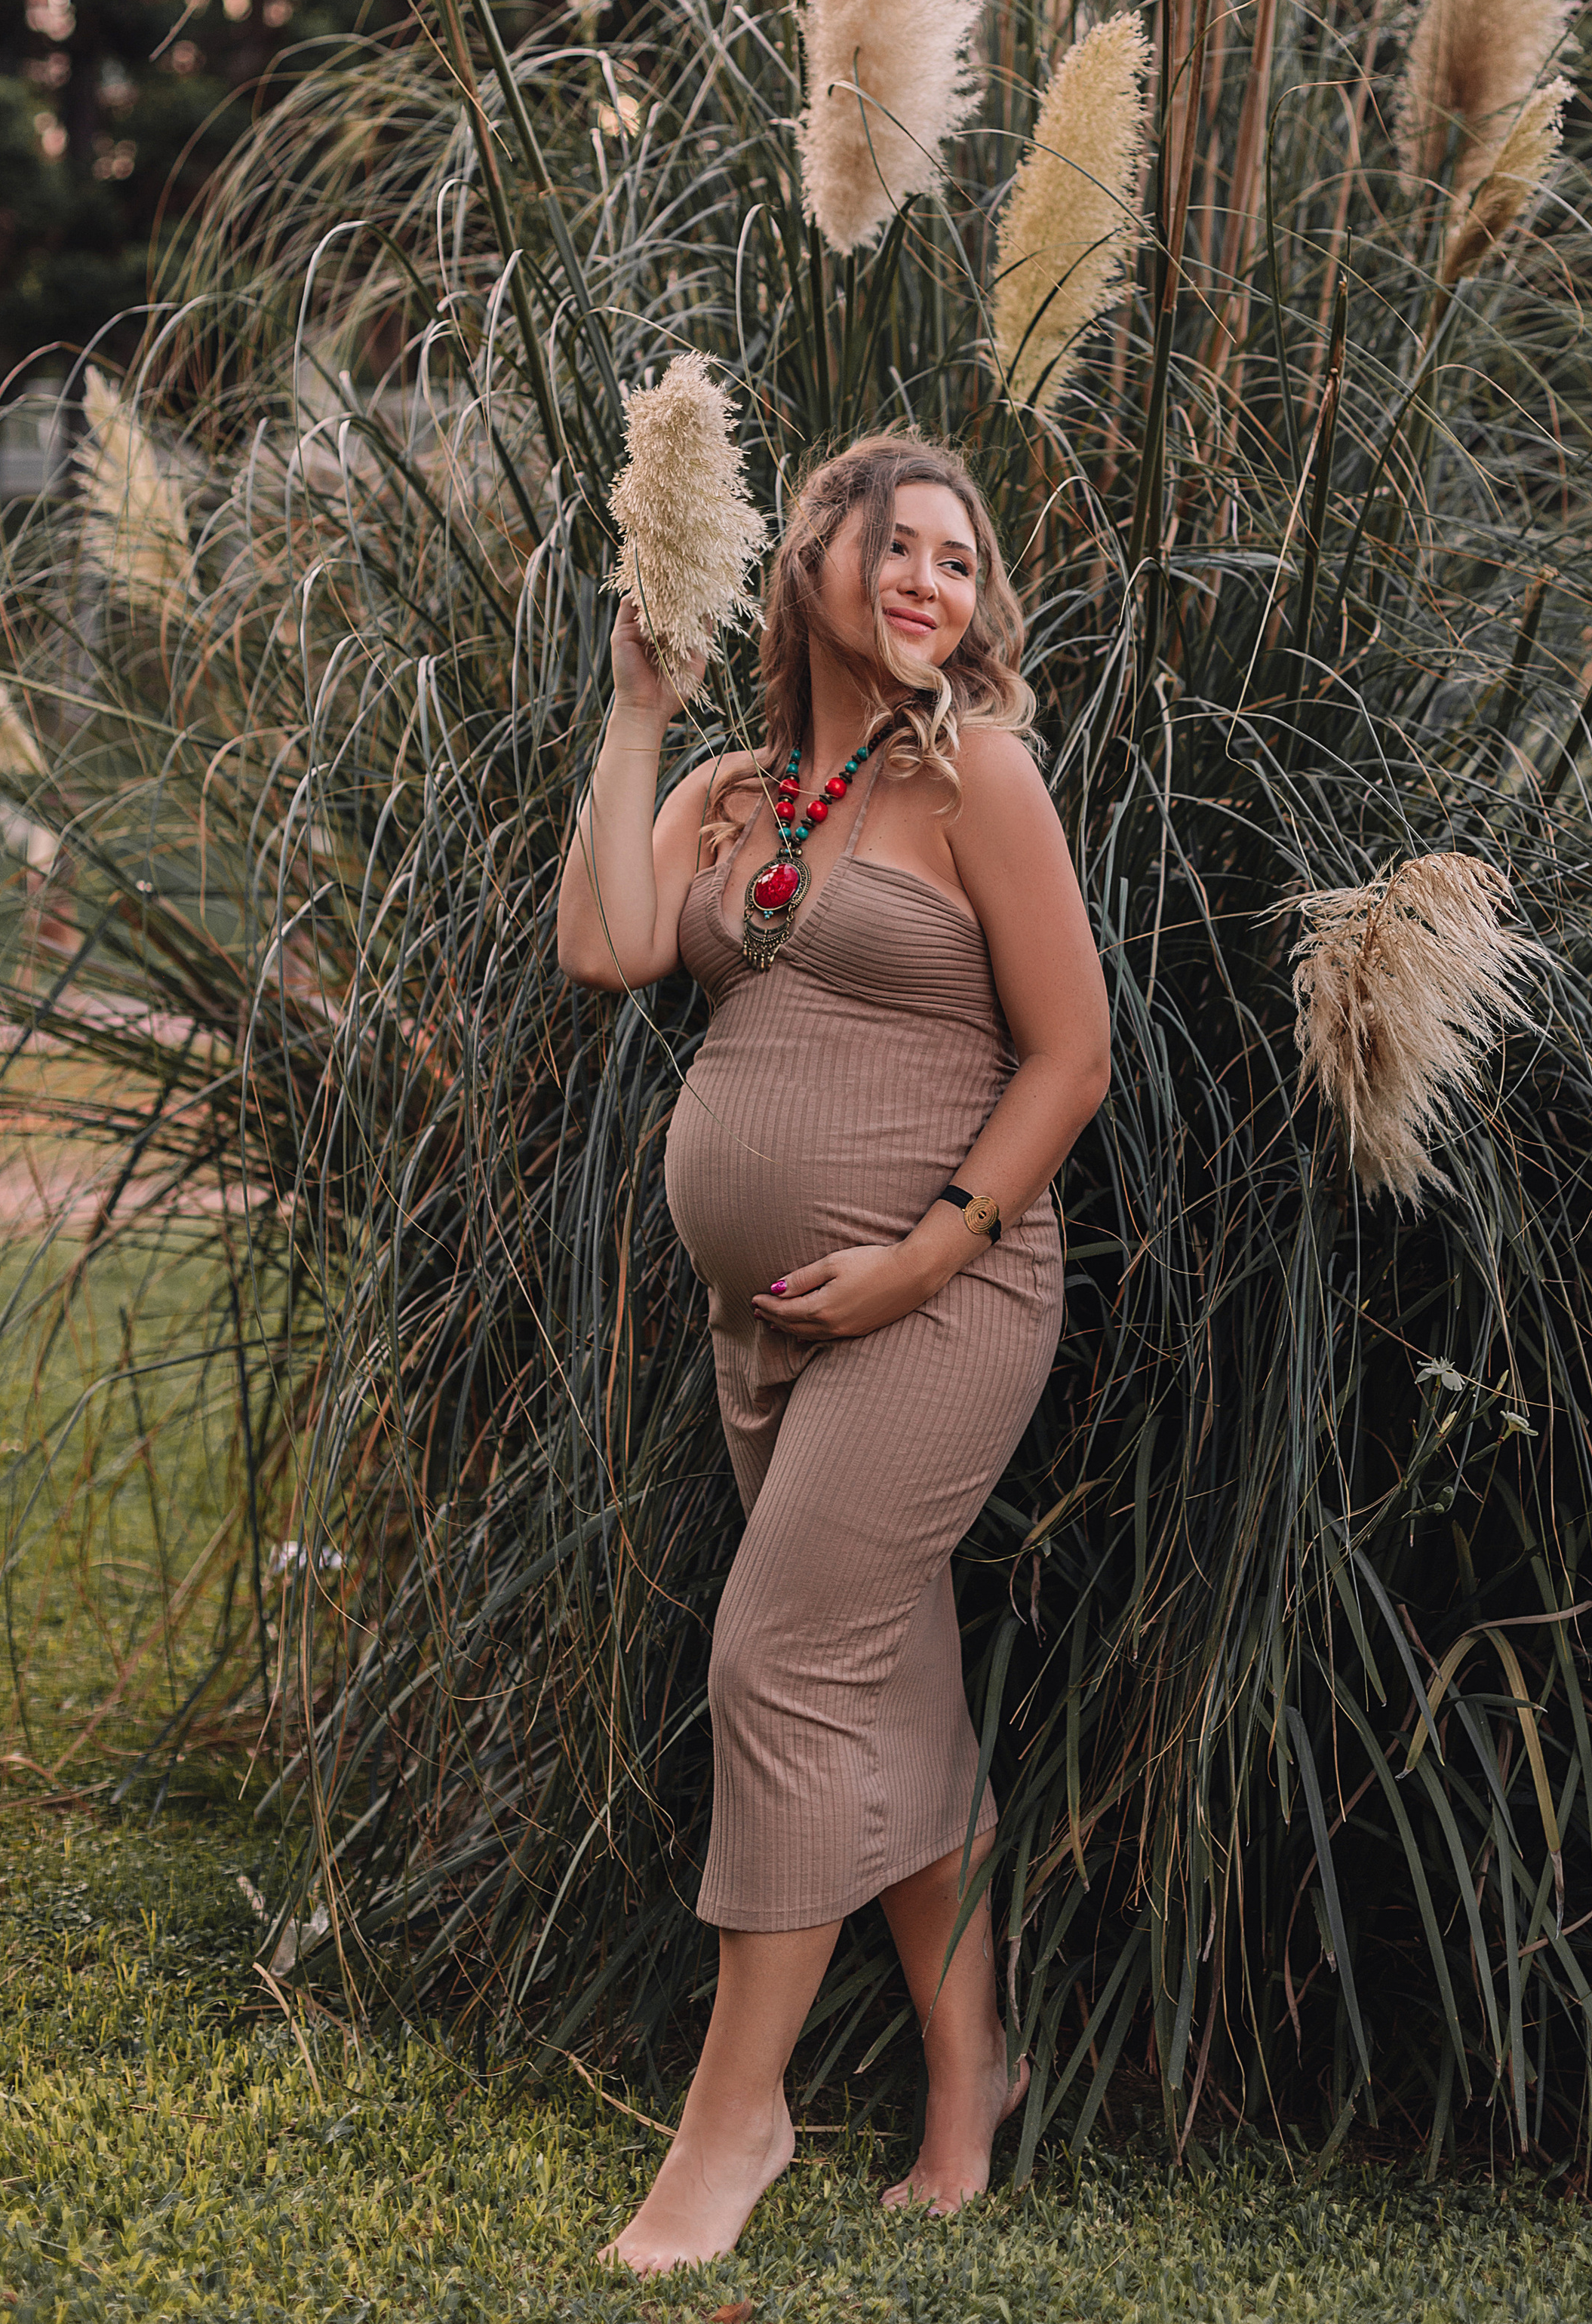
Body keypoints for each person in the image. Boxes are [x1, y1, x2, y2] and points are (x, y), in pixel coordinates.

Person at [556, 432, 1111, 2275]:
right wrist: (639, 717)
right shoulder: (729, 790)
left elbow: (1070, 1060)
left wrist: (920, 1255)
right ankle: (974, 2084)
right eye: (899, 547)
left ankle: (735, 2125)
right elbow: (608, 949)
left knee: (779, 1660)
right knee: (880, 1691)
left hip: (942, 1301)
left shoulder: (981, 781)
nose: (933, 583)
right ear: (806, 562)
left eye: (962, 560)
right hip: (761, 1318)